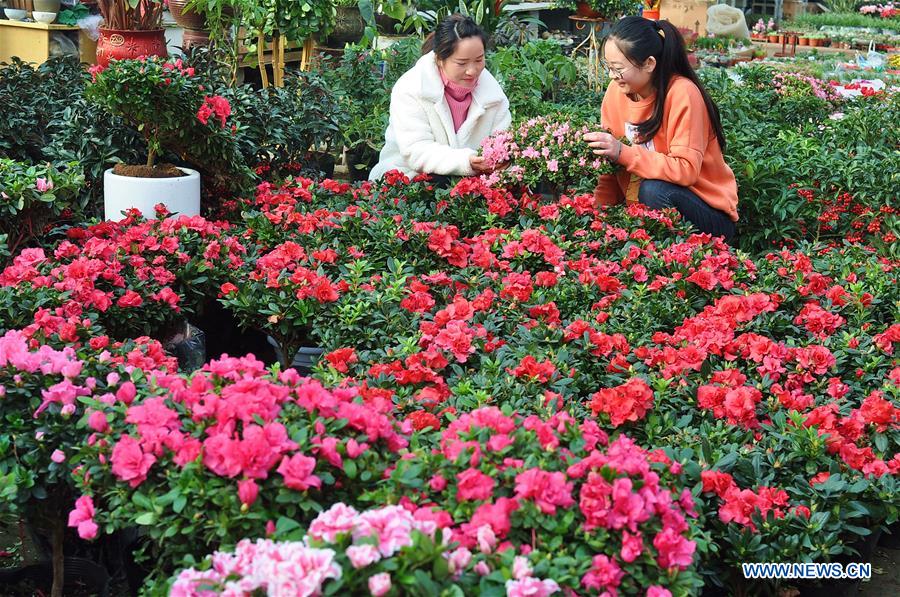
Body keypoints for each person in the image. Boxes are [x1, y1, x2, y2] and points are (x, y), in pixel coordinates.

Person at [584, 16, 738, 241]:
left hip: (709, 214)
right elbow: (610, 168)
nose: (611, 76)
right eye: (608, 67)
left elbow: (686, 170)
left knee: (654, 190)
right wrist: (597, 220)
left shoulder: (683, 94)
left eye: (617, 68)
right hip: (647, 209)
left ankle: (673, 260)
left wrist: (622, 152)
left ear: (649, 63)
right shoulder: (615, 94)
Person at [369, 14, 512, 181]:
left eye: (479, 60)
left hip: (472, 183)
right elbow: (416, 151)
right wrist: (466, 162)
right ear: (439, 60)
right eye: (461, 63)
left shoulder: (493, 96)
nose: (472, 71)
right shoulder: (412, 88)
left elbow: (502, 142)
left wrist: (502, 160)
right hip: (407, 179)